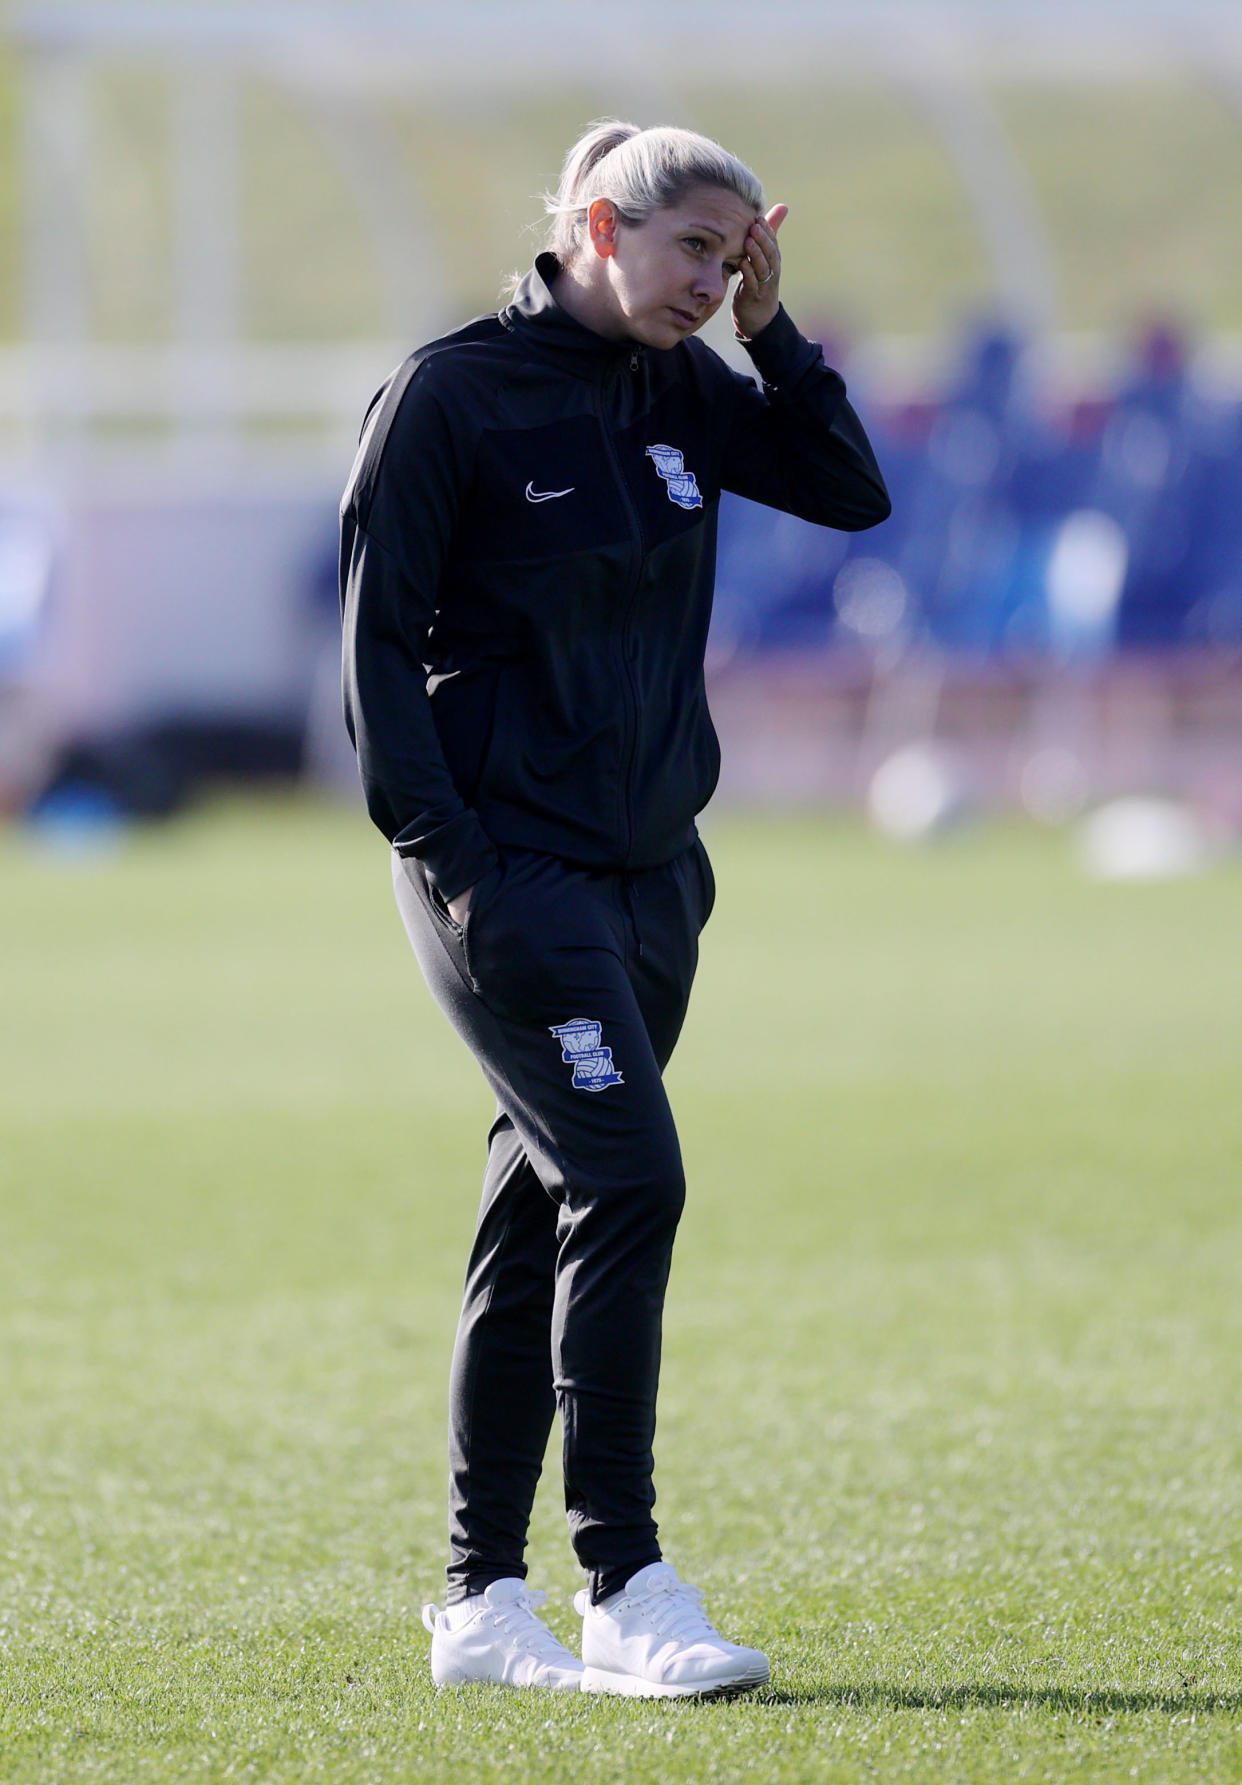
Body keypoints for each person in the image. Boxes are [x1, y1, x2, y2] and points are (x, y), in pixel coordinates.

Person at [339, 120, 890, 1698]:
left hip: (656, 875)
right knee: (633, 1181)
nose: (711, 283)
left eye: (733, 258)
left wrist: (774, 335)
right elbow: (377, 653)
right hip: (506, 874)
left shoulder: (682, 385)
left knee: (546, 1207)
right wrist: (451, 862)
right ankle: (623, 1578)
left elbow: (848, 491)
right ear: (597, 224)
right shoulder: (451, 394)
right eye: (691, 253)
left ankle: (475, 1606)